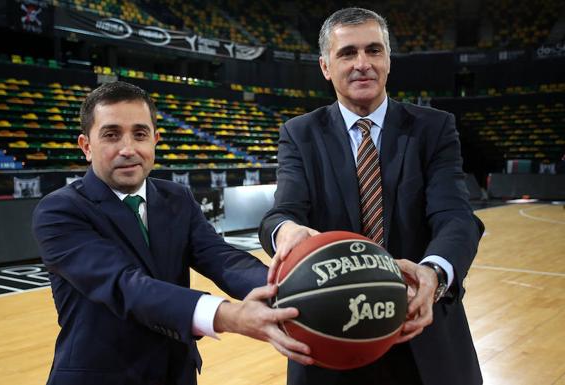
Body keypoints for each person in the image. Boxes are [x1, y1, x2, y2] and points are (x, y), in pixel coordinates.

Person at [32, 81, 312, 385]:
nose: (128, 149)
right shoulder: (59, 211)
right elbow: (125, 285)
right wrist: (228, 315)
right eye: (111, 135)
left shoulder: (176, 198)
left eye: (140, 134)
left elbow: (221, 258)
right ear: (86, 146)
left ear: (155, 140)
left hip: (175, 373)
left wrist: (288, 291)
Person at [259, 7, 484, 385]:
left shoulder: (434, 128)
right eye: (347, 53)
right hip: (330, 332)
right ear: (325, 66)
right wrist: (286, 232)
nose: (362, 63)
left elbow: (456, 216)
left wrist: (434, 274)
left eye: (373, 50)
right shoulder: (300, 133)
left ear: (388, 60)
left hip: (422, 330)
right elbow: (282, 213)